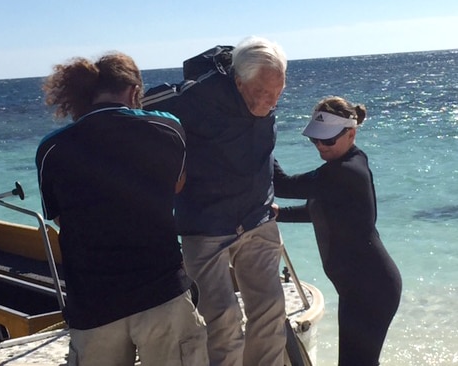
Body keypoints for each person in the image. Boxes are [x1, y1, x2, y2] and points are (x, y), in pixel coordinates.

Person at [36, 53, 208, 366]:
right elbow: (177, 186)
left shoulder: (53, 149)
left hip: (93, 305)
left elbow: (61, 218)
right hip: (162, 292)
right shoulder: (168, 128)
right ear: (133, 92)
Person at [143, 36, 288, 366]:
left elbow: (261, 151)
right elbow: (142, 107)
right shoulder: (199, 96)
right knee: (222, 318)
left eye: (277, 94)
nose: (269, 101)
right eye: (261, 92)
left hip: (257, 219)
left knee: (270, 310)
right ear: (238, 81)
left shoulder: (268, 100)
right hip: (206, 225)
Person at [272, 96, 402, 366]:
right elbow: (321, 211)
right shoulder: (343, 168)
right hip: (357, 287)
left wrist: (257, 134)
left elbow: (282, 185)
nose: (320, 146)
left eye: (328, 140)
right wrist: (279, 214)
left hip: (372, 288)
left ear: (351, 133)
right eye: (315, 139)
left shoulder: (345, 171)